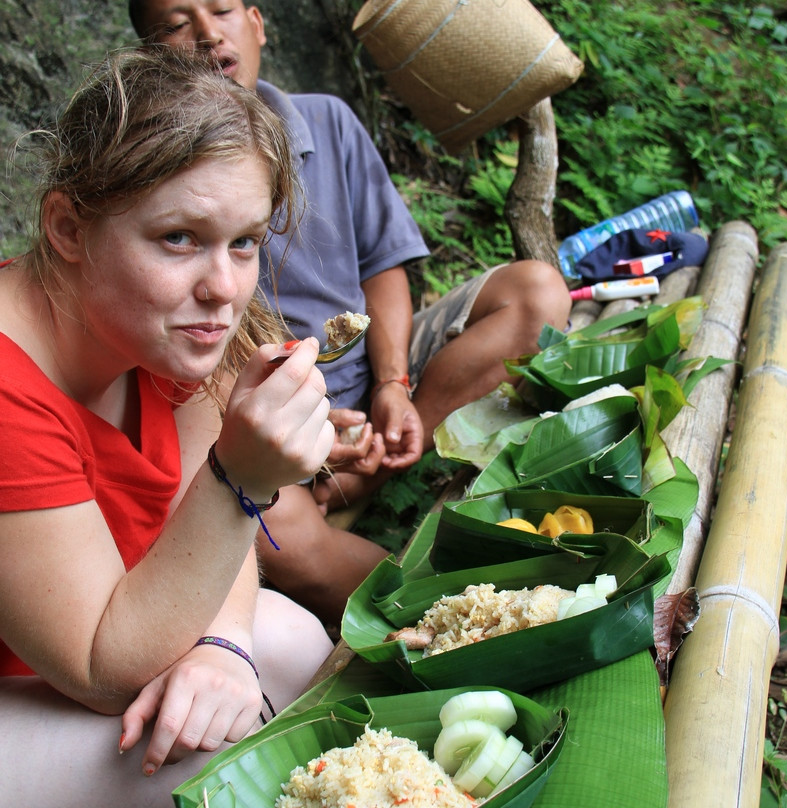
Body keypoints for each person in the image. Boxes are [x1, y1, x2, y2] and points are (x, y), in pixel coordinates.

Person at [129, 0, 573, 625]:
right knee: (275, 533)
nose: (207, 33)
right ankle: (438, 609)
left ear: (257, 23)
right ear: (151, 56)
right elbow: (193, 366)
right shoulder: (156, 171)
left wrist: (393, 383)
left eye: (223, 8)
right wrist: (299, 437)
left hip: (372, 365)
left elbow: (382, 265)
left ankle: (395, 446)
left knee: (538, 297)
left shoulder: (326, 123)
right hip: (264, 404)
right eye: (176, 24)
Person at [0, 47, 336, 806]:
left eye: (244, 241)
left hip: (97, 651)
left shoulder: (156, 330)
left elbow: (209, 540)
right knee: (201, 755)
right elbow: (98, 668)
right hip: (62, 671)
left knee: (286, 642)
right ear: (67, 228)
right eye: (179, 238)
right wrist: (242, 476)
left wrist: (222, 645)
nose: (222, 289)